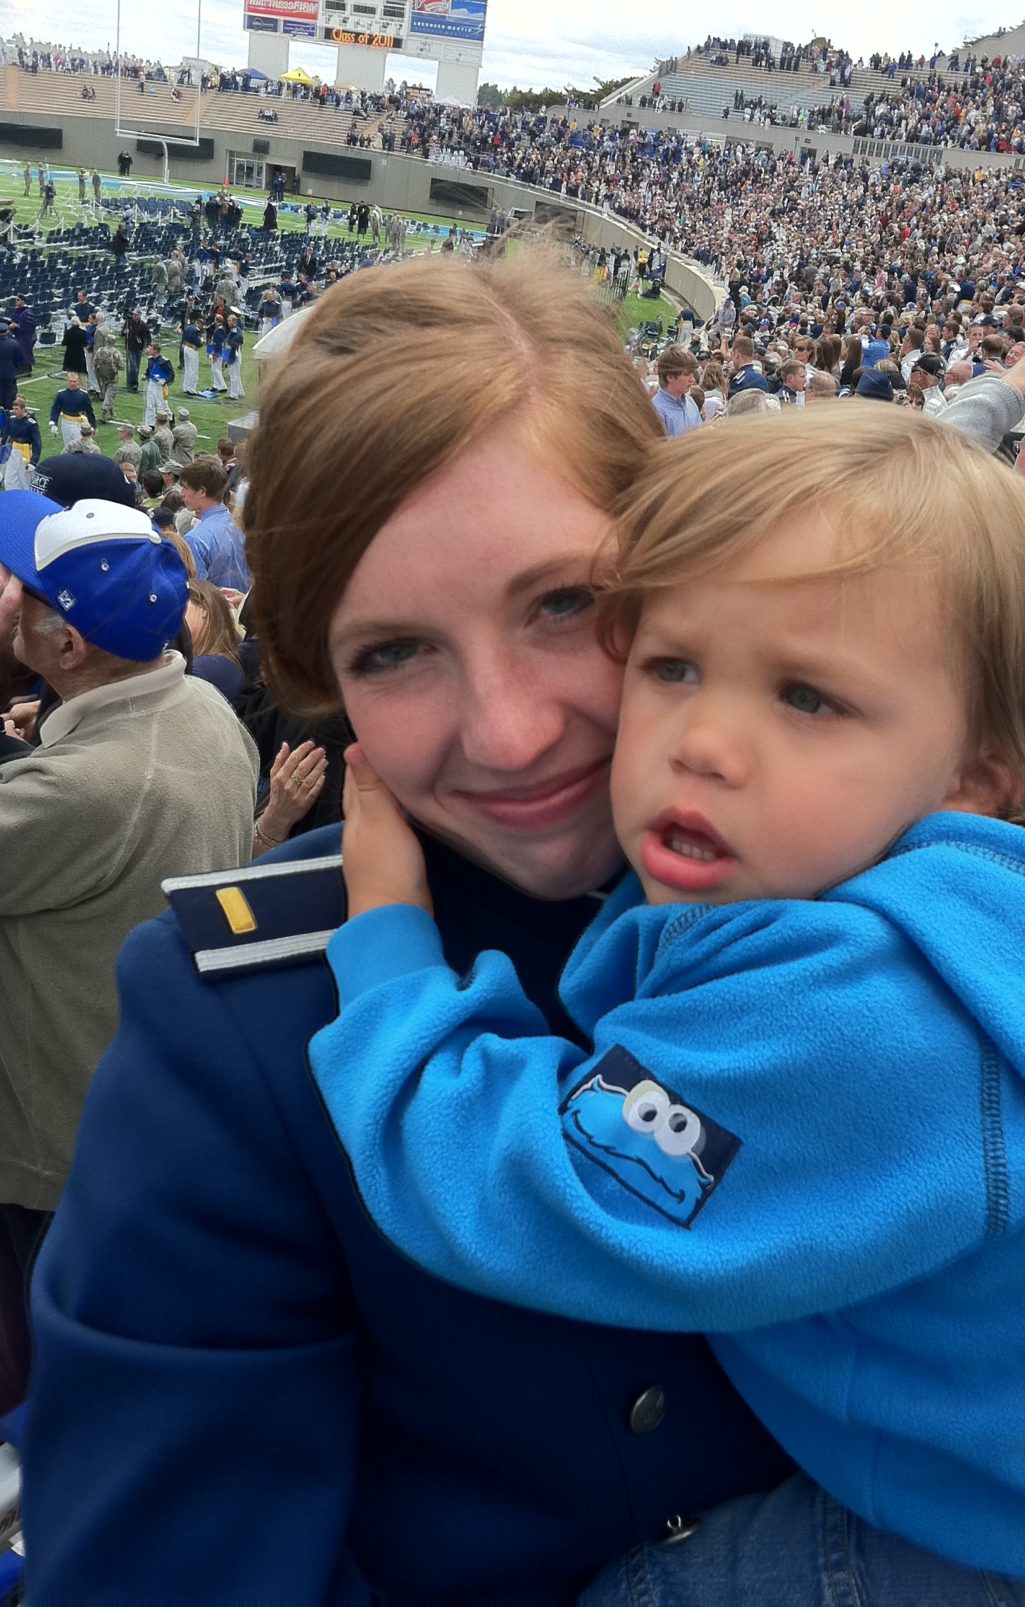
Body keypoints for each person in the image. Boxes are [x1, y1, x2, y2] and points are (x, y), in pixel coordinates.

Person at [310, 408, 1025, 1605]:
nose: (706, 742)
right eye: (673, 666)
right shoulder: (1012, 870)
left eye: (809, 697)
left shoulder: (868, 1016)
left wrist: (386, 944)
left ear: (973, 773)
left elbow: (517, 1182)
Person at [23, 253, 795, 1602]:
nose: (507, 730)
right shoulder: (238, 1036)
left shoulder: (870, 874)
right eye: (392, 652)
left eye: (564, 604)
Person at [0, 491, 258, 1413]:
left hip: (55, 1157)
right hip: (138, 1119)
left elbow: (64, 809)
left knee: (51, 1396)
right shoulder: (194, 705)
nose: (8, 600)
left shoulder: (84, 788)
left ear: (69, 645)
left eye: (22, 591)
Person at [177, 457, 249, 589]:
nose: (181, 493)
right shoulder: (242, 525)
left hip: (218, 607)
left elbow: (201, 594)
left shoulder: (195, 539)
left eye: (185, 488)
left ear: (202, 492)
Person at [651, 346, 701, 436]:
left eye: (692, 374)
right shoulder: (656, 412)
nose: (692, 380)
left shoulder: (691, 402)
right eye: (687, 374)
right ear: (670, 377)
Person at [47, 374, 95, 452]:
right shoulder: (61, 394)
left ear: (78, 382)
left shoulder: (83, 395)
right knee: (67, 446)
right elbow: (55, 409)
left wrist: (93, 426)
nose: (72, 383)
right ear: (67, 382)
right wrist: (53, 423)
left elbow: (89, 411)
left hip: (78, 424)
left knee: (79, 446)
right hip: (65, 423)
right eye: (71, 381)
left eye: (74, 381)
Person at [1, 397, 41, 491]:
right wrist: (2, 440)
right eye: (13, 409)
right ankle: (13, 499)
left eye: (17, 409)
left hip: (26, 453)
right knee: (9, 479)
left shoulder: (31, 423)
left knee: (26, 482)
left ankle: (27, 501)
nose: (14, 411)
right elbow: (7, 429)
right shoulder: (11, 419)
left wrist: (33, 461)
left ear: (23, 409)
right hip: (14, 451)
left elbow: (37, 443)